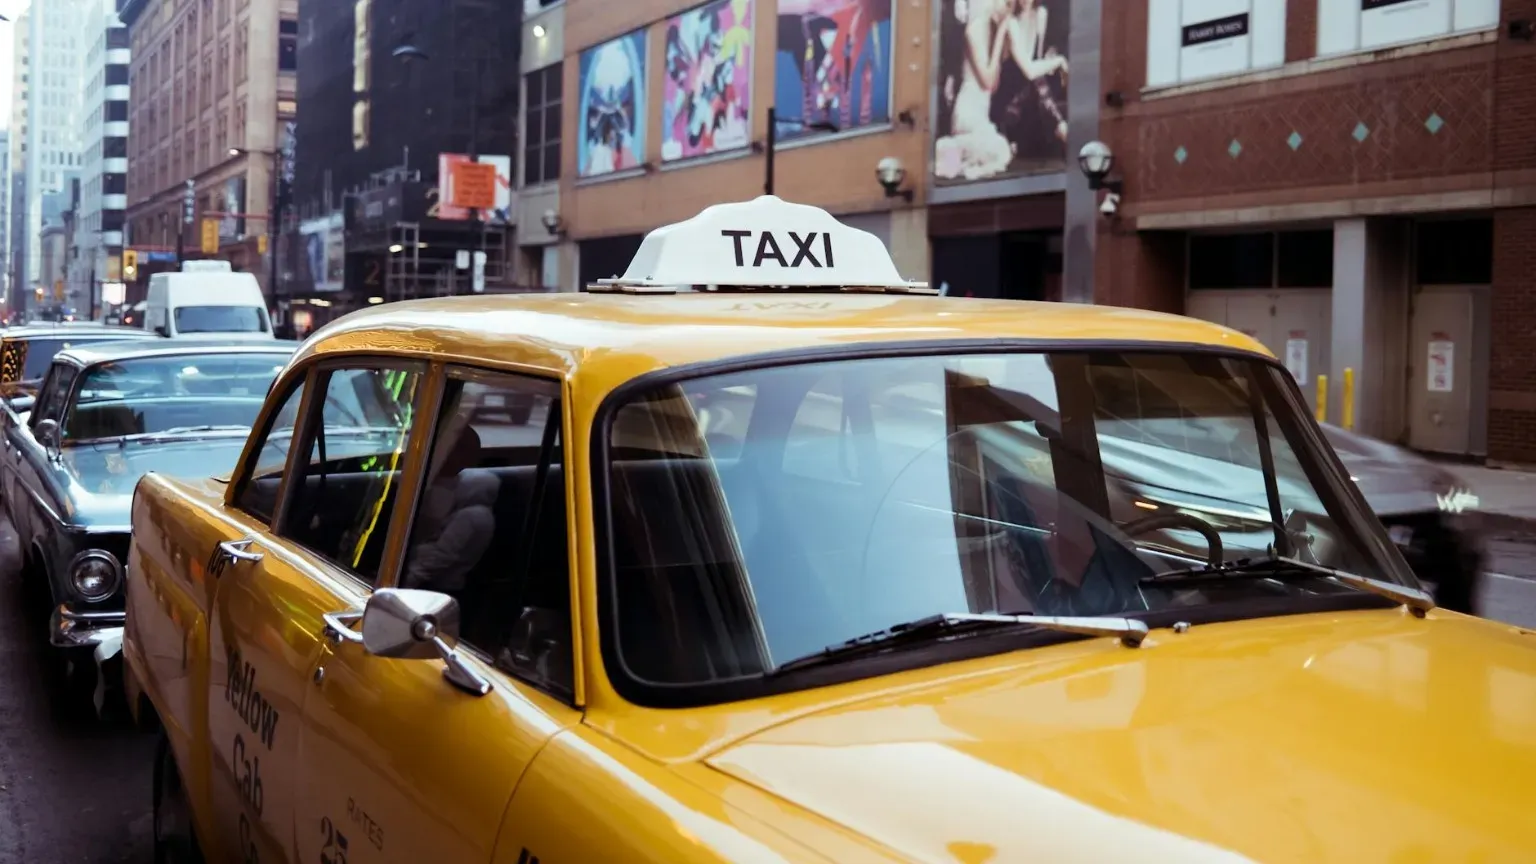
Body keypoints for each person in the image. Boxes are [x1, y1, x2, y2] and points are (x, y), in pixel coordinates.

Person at [401, 423, 500, 595]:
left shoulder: (470, 516)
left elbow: (441, 555)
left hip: (438, 586)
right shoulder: (470, 509)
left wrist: (407, 580)